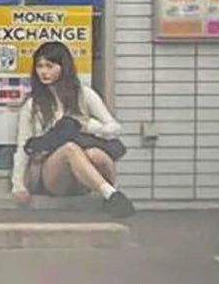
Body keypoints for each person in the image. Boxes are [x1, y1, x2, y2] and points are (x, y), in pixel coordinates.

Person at [11, 39, 133, 215]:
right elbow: (22, 146)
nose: (44, 72)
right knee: (70, 148)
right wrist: (18, 185)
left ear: (64, 67)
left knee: (95, 154)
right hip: (48, 175)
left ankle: (111, 195)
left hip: (80, 176)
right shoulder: (33, 104)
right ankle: (113, 196)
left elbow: (114, 128)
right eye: (40, 66)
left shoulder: (84, 94)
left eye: (50, 66)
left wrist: (87, 125)